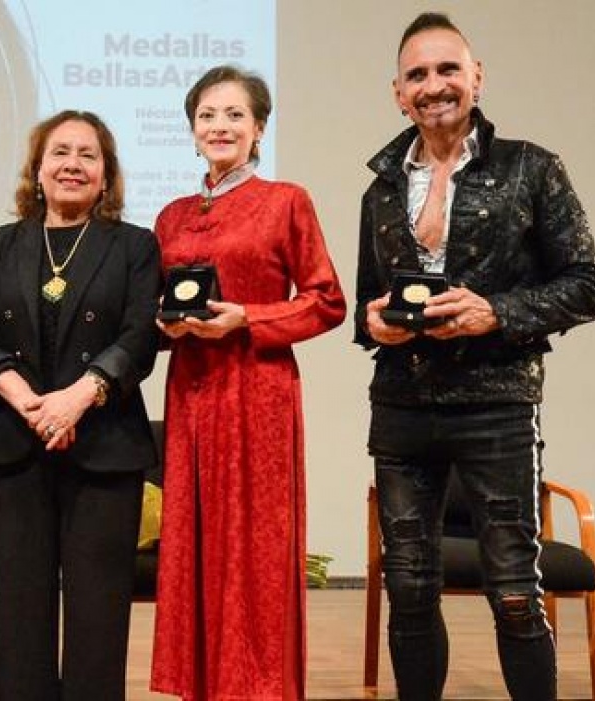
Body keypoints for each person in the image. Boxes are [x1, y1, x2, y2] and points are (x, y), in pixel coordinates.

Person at [353, 12, 595, 701]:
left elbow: (590, 285)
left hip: (498, 407)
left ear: (476, 77)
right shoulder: (379, 189)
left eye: (447, 69)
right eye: (417, 75)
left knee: (514, 591)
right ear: (397, 92)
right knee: (408, 588)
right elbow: (365, 308)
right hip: (402, 409)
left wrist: (495, 311)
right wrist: (377, 324)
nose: (433, 86)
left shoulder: (533, 168)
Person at [150, 65, 347, 700]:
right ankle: (201, 687)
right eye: (207, 115)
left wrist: (247, 319)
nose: (220, 126)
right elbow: (156, 306)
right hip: (190, 391)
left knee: (256, 550)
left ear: (258, 128)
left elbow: (327, 301)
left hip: (258, 391)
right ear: (192, 130)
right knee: (194, 543)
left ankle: (257, 688)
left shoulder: (285, 200)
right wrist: (163, 326)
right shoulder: (171, 214)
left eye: (235, 114)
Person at [0, 110, 161, 701]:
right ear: (38, 168)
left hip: (105, 446)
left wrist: (78, 399)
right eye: (60, 152)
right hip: (15, 443)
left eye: (88, 155)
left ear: (106, 174)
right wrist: (28, 401)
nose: (72, 164)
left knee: (98, 618)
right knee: (19, 612)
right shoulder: (0, 244)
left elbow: (140, 336)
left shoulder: (135, 246)